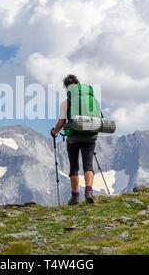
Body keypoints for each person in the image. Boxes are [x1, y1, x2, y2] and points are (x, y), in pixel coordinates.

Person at [51, 75, 98, 205]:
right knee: (88, 165)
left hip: (73, 137)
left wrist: (54, 132)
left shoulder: (65, 103)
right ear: (78, 85)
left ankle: (75, 196)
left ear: (67, 88)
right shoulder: (90, 99)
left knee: (74, 166)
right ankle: (89, 191)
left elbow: (61, 122)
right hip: (90, 135)